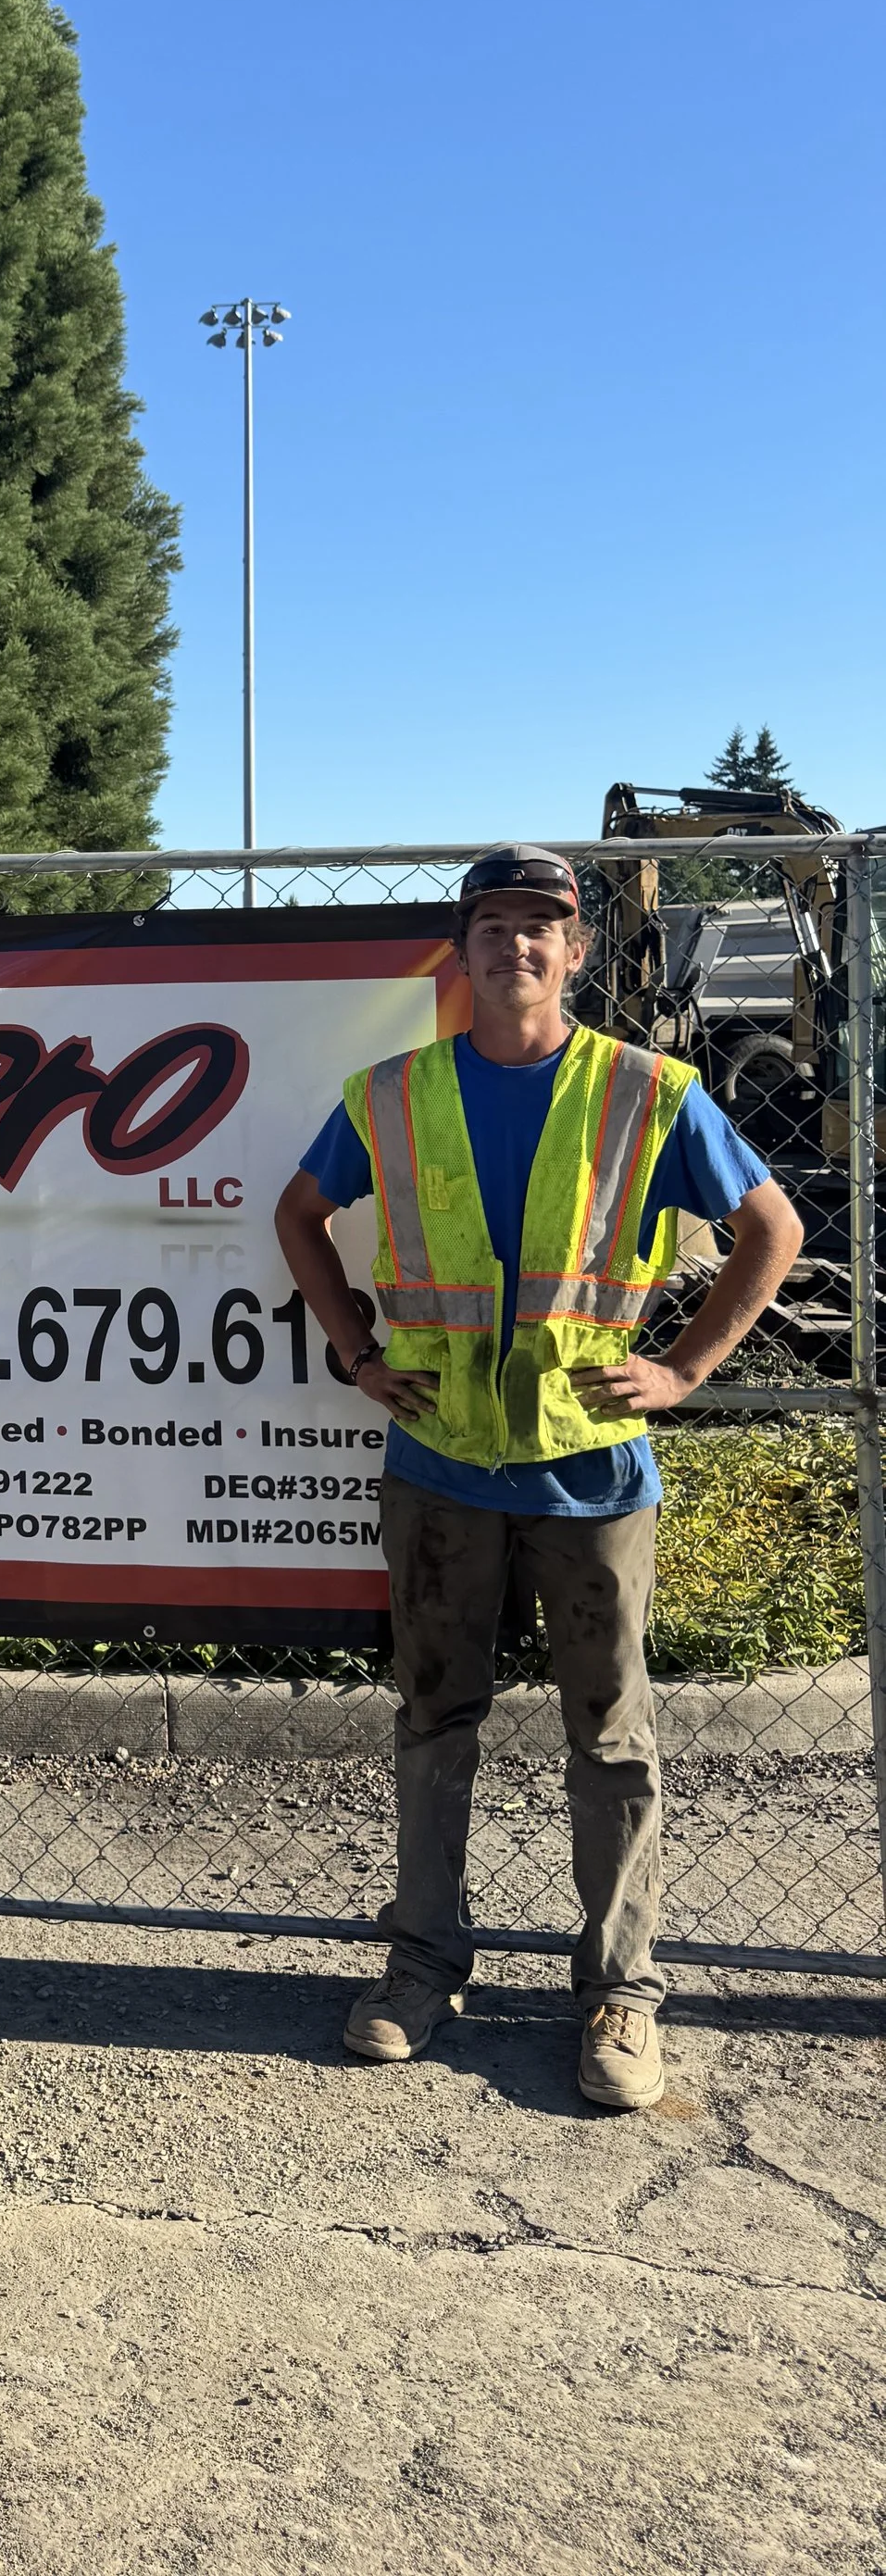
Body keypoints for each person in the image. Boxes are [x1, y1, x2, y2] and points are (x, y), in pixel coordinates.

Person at [274, 844, 803, 2110]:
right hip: (442, 1470)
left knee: (612, 1742)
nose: (517, 944)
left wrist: (680, 1371)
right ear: (460, 954)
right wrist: (352, 1345)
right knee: (433, 1722)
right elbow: (300, 1214)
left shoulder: (650, 1091)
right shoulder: (391, 1095)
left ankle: (621, 1993)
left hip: (592, 1478)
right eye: (494, 924)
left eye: (541, 927)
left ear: (575, 952)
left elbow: (772, 1230)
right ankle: (421, 1965)